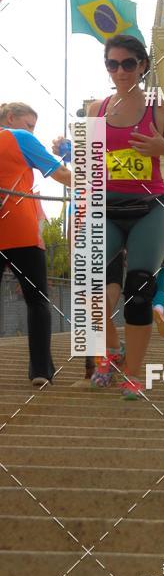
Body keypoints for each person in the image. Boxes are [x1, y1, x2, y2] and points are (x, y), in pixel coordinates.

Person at [70, 34, 164, 398]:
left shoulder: (159, 107)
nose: (119, 71)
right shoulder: (96, 110)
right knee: (88, 284)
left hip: (148, 208)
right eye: (112, 64)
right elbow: (85, 168)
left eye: (127, 63)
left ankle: (134, 375)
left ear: (142, 66)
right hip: (104, 208)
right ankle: (109, 354)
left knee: (139, 292)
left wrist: (162, 147)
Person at [0, 102, 71, 386]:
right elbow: (60, 175)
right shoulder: (20, 138)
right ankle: (41, 370)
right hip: (20, 230)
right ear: (11, 118)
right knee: (37, 301)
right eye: (29, 124)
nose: (32, 131)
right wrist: (98, 176)